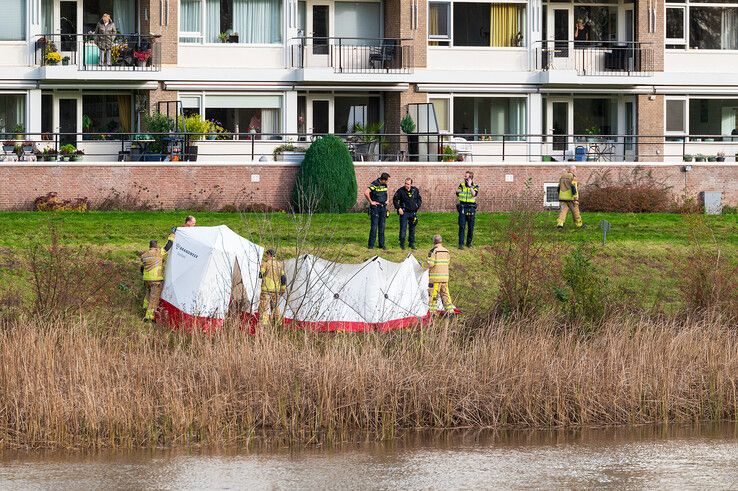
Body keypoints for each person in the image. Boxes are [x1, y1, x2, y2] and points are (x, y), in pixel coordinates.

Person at [426, 235, 456, 315]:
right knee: (446, 295)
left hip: (435, 279)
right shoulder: (446, 251)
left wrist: (422, 265)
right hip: (445, 278)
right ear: (441, 241)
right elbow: (448, 262)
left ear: (433, 242)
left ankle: (433, 314)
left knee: (433, 296)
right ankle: (450, 312)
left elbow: (430, 264)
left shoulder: (433, 251)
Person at [392, 177, 422, 250]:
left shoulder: (415, 190)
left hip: (413, 213)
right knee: (403, 228)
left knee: (412, 228)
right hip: (404, 213)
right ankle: (402, 244)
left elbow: (419, 199)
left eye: (408, 184)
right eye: (405, 183)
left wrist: (417, 206)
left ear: (411, 184)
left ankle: (411, 243)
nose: (406, 185)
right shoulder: (400, 191)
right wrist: (399, 208)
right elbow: (395, 200)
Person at [140, 240, 167, 321]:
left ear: (149, 246)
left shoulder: (144, 255)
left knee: (148, 294)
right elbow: (168, 246)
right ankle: (149, 317)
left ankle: (144, 308)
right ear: (156, 246)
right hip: (155, 280)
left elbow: (142, 267)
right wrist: (172, 235)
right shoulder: (159, 253)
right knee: (154, 298)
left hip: (146, 279)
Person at [258, 249, 286, 326]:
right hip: (276, 291)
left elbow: (260, 274)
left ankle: (264, 324)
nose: (266, 257)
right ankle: (278, 324)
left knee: (264, 308)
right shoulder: (279, 265)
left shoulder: (265, 264)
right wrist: (283, 288)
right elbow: (283, 278)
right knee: (275, 307)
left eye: (266, 255)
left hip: (266, 290)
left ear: (269, 255)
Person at [364, 172, 390, 250]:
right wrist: (371, 202)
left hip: (383, 207)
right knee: (374, 227)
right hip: (375, 208)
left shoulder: (385, 185)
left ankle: (381, 245)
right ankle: (371, 245)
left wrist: (387, 200)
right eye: (387, 180)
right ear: (384, 180)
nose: (387, 182)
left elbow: (386, 193)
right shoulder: (374, 183)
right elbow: (366, 192)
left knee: (382, 226)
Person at [456, 171, 479, 249]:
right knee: (462, 226)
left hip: (471, 208)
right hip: (462, 207)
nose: (464, 177)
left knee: (470, 227)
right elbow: (457, 192)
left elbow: (474, 194)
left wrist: (470, 186)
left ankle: (469, 243)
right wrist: (459, 191)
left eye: (465, 176)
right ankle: (461, 244)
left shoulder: (475, 186)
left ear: (470, 178)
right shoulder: (461, 185)